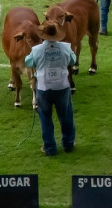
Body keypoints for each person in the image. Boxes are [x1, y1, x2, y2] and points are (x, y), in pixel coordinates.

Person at [26, 22, 77, 155]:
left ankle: (49, 147)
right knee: (66, 116)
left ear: (43, 35)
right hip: (62, 86)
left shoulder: (36, 50)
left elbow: (28, 62)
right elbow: (73, 60)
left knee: (45, 117)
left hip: (43, 87)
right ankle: (68, 144)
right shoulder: (66, 47)